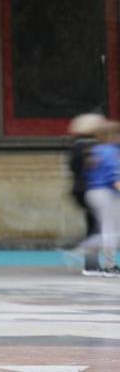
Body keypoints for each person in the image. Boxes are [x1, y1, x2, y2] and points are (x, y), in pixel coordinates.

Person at [67, 113, 106, 275]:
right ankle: (88, 262)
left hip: (81, 189)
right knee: (98, 227)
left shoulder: (77, 145)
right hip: (92, 189)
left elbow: (73, 168)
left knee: (95, 225)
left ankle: (91, 264)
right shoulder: (91, 146)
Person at [81, 118, 120, 277]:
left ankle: (85, 251)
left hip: (93, 192)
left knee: (106, 229)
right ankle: (110, 266)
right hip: (106, 193)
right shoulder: (112, 152)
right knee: (110, 230)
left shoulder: (96, 150)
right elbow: (115, 178)